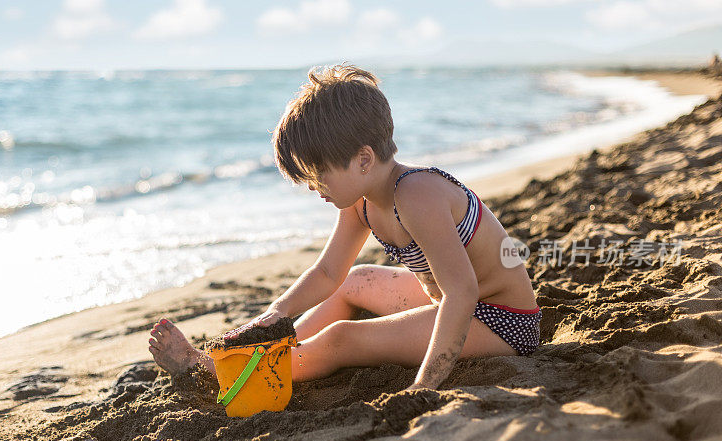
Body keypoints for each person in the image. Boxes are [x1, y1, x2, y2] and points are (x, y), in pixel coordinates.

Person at [149, 63, 541, 392]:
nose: (314, 187)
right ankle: (260, 358)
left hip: (501, 321)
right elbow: (327, 273)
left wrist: (424, 387)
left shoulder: (418, 194)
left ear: (364, 160)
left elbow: (462, 292)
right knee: (356, 280)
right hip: (452, 301)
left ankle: (237, 376)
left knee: (342, 338)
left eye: (319, 175)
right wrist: (275, 314)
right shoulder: (361, 204)